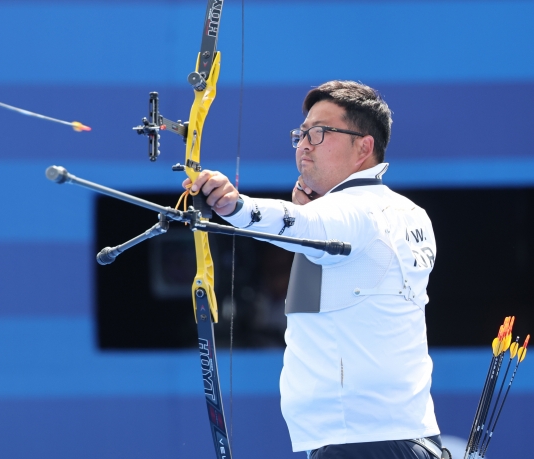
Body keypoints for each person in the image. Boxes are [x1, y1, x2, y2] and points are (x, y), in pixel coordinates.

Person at [183, 81, 445, 459]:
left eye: (320, 133)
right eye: (302, 133)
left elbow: (298, 223)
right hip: (397, 437)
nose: (305, 143)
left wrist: (234, 206)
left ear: (364, 146)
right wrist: (313, 213)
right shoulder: (406, 213)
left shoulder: (354, 211)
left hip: (361, 444)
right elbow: (332, 275)